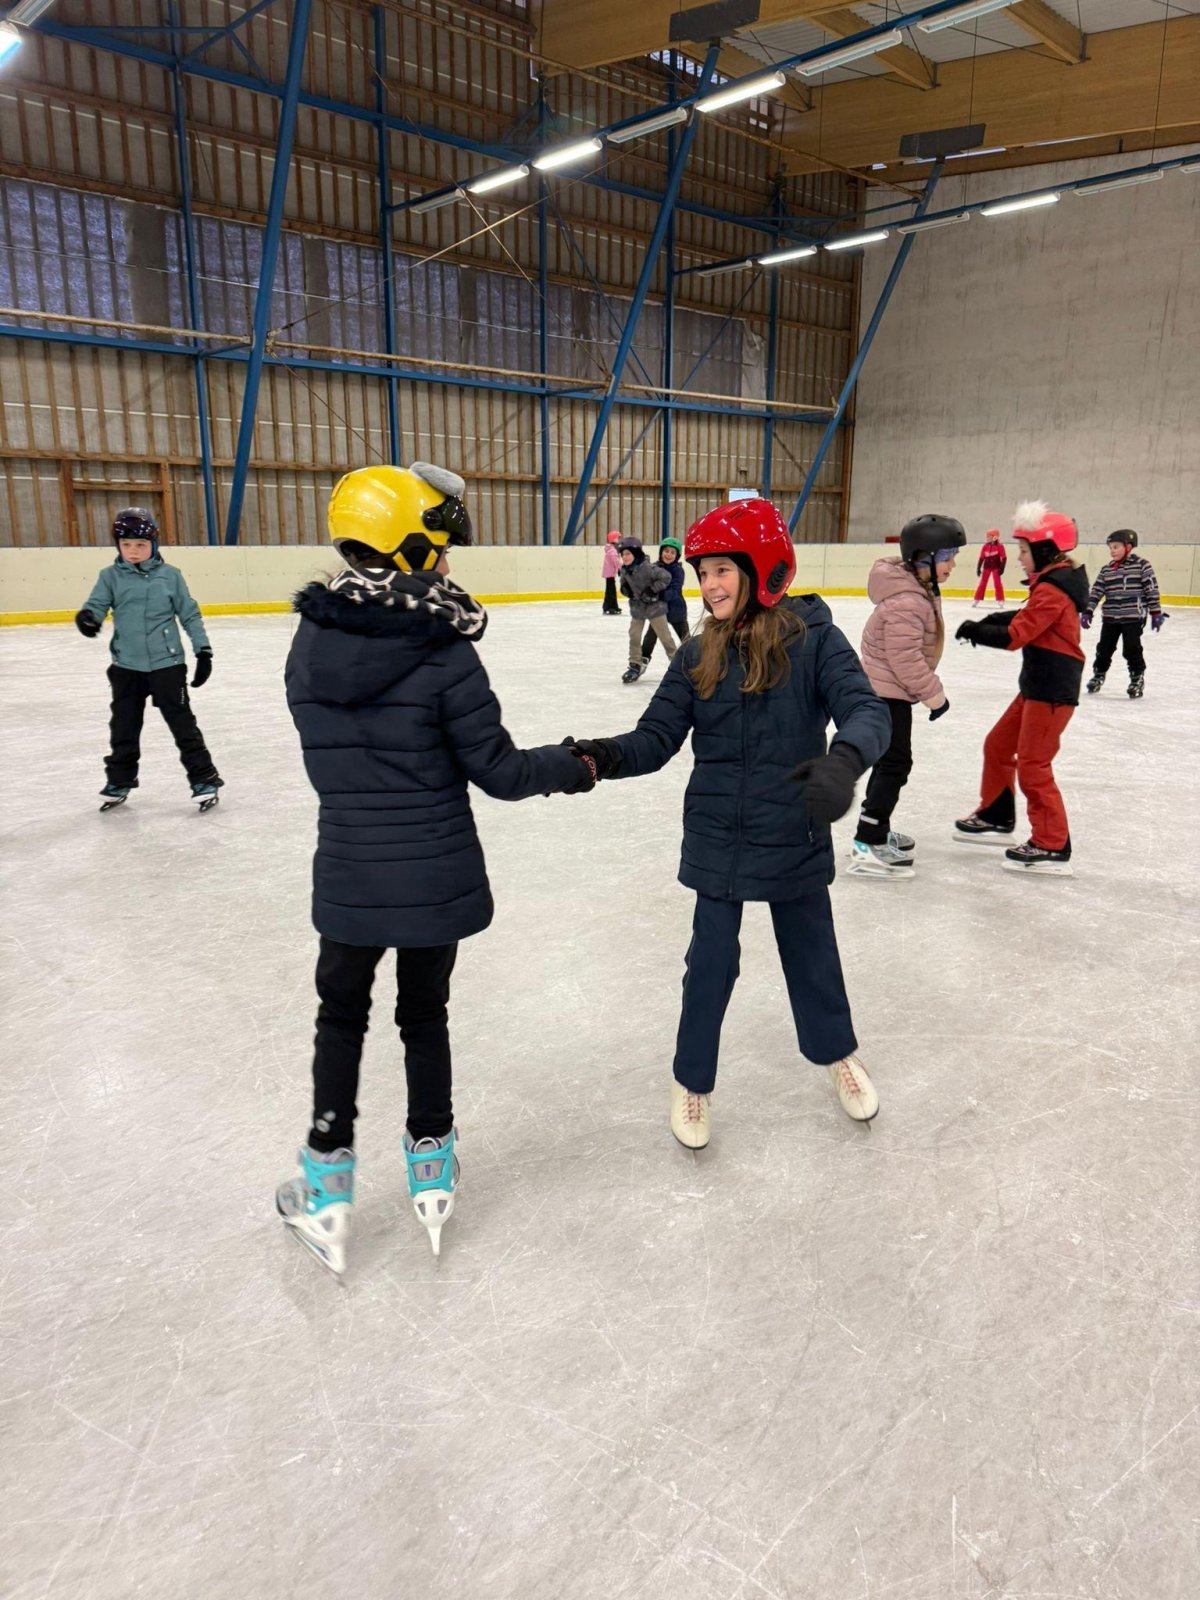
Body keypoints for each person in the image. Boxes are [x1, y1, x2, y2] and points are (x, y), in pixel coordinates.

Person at [278, 462, 595, 1272]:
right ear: (411, 548)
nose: (449, 562)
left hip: (349, 872)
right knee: (424, 1015)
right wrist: (577, 763)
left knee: (339, 1018)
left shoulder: (308, 645)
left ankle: (326, 1189)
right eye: (441, 547)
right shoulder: (444, 651)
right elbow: (501, 772)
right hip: (431, 874)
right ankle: (430, 1160)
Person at [567, 497, 890, 1149]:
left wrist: (843, 762)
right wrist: (596, 757)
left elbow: (866, 709)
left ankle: (837, 1056)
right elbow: (654, 739)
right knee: (710, 965)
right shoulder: (695, 655)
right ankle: (691, 1082)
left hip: (794, 828)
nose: (708, 584)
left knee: (812, 956)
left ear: (762, 569)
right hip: (719, 834)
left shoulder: (815, 642)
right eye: (703, 572)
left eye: (722, 570)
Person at [953, 501, 1089, 876]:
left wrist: (978, 631)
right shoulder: (1051, 584)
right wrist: (987, 621)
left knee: (1033, 765)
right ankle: (997, 814)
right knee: (998, 745)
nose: (1018, 557)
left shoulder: (1054, 590)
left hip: (1052, 691)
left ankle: (1051, 842)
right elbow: (1025, 617)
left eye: (1024, 551)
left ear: (1045, 551)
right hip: (1036, 685)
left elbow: (1017, 635)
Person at [74, 507, 222, 812]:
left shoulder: (171, 576)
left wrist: (203, 651)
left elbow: (189, 614)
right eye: (126, 544)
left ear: (153, 544)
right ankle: (119, 781)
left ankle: (204, 779)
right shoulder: (110, 576)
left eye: (140, 545)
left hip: (167, 664)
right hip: (126, 666)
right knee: (123, 727)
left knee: (182, 725)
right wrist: (89, 617)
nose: (133, 551)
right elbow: (97, 604)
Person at [851, 514, 965, 878]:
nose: (952, 564)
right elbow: (905, 660)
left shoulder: (915, 589)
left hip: (888, 691)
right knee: (895, 764)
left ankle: (874, 829)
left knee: (891, 763)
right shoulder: (907, 602)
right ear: (922, 557)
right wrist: (935, 696)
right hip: (887, 694)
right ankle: (868, 841)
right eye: (946, 556)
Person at [1083, 529, 1166, 699]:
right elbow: (1097, 591)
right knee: (1104, 648)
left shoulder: (1142, 565)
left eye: (1116, 547)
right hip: (1111, 617)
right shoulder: (1107, 570)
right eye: (1110, 548)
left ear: (1128, 547)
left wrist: (1156, 612)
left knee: (1131, 648)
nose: (1112, 551)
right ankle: (1099, 674)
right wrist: (1088, 610)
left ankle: (1137, 677)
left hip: (1133, 616)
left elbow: (1151, 590)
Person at [618, 535, 677, 683]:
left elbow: (666, 577)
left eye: (628, 554)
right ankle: (635, 664)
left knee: (665, 638)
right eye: (622, 554)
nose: (624, 557)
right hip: (638, 608)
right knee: (634, 635)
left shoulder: (649, 568)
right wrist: (625, 590)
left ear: (636, 554)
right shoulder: (624, 570)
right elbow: (624, 586)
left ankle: (677, 664)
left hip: (655, 608)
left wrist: (652, 589)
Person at [640, 536, 691, 665]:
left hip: (676, 610)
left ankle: (693, 660)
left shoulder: (678, 571)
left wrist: (658, 594)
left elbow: (674, 591)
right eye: (666, 551)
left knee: (686, 639)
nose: (669, 554)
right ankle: (642, 658)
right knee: (650, 636)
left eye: (672, 552)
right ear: (661, 552)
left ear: (677, 556)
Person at [973, 529, 1007, 606]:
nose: (987, 538)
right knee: (982, 583)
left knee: (997, 583)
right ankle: (977, 599)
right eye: (987, 536)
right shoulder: (985, 546)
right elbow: (981, 558)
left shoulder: (1000, 546)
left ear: (995, 537)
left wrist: (1002, 568)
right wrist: (978, 568)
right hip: (986, 567)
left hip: (996, 567)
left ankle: (1000, 599)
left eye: (989, 536)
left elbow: (1004, 558)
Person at [601, 529, 623, 616]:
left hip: (610, 574)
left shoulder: (612, 549)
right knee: (611, 591)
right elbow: (616, 562)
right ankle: (609, 607)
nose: (619, 540)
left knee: (611, 590)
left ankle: (613, 606)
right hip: (610, 574)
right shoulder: (612, 551)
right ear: (613, 539)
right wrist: (622, 568)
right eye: (618, 538)